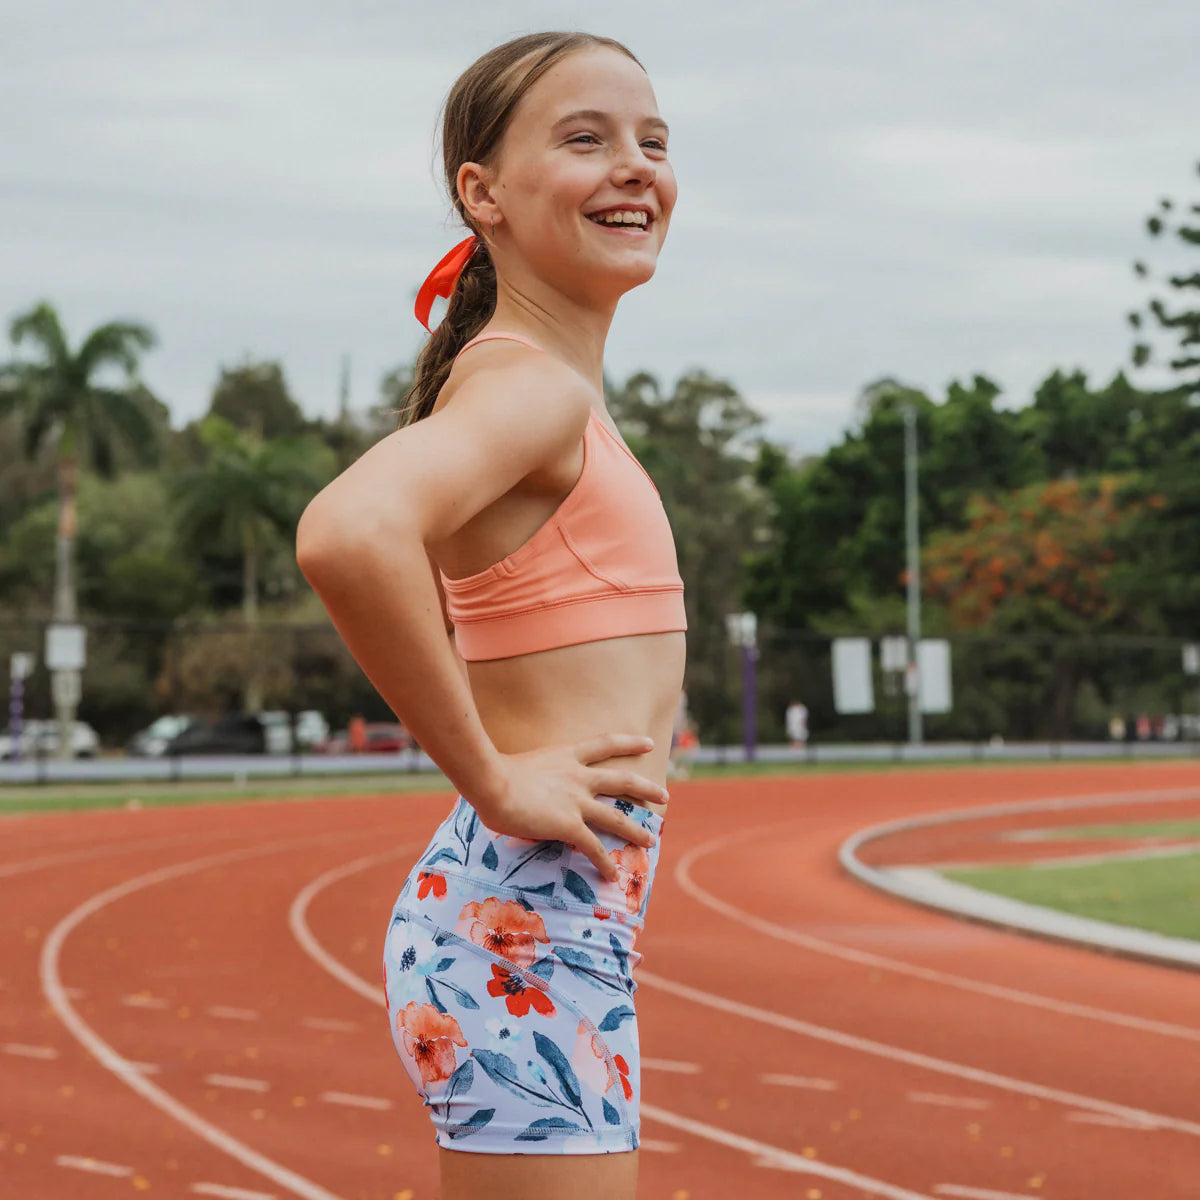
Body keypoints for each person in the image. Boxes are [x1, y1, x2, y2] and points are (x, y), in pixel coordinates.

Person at [296, 31, 683, 1200]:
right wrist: (494, 777)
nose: (634, 166)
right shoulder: (532, 389)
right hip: (527, 938)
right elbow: (345, 533)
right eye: (585, 139)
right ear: (483, 194)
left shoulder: (538, 385)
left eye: (653, 142)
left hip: (545, 936)